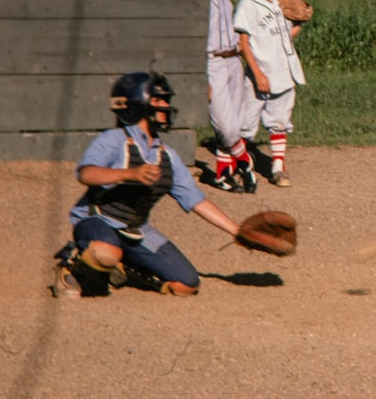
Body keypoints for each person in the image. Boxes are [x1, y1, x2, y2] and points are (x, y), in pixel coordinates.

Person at [53, 71, 244, 298]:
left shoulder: (167, 155)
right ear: (137, 104)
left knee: (187, 284)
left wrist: (238, 231)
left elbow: (196, 200)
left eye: (166, 100)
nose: (165, 106)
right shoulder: (114, 139)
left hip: (135, 230)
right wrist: (130, 173)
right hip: (97, 220)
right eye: (157, 100)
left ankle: (126, 269)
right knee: (105, 252)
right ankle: (70, 265)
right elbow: (86, 174)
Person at [234, 0, 306, 188]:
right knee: (246, 124)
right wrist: (256, 73)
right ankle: (239, 164)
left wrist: (299, 23)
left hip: (283, 72)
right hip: (260, 74)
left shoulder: (279, 2)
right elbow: (243, 43)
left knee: (280, 121)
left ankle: (277, 168)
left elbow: (284, 36)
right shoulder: (247, 5)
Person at [207, 0, 256, 193]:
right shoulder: (198, 1)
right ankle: (245, 161)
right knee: (225, 126)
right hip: (212, 62)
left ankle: (222, 174)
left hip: (233, 61)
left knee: (234, 123)